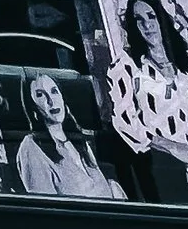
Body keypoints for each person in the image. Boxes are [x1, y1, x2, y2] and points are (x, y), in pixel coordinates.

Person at [105, 0, 188, 190]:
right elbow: (125, 122)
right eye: (138, 19)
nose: (147, 24)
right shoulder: (124, 66)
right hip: (157, 164)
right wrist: (176, 149)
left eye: (151, 16)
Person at [13, 70, 125, 199]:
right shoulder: (31, 147)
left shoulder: (78, 140)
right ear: (32, 106)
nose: (51, 101)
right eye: (40, 95)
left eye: (54, 91)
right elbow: (47, 206)